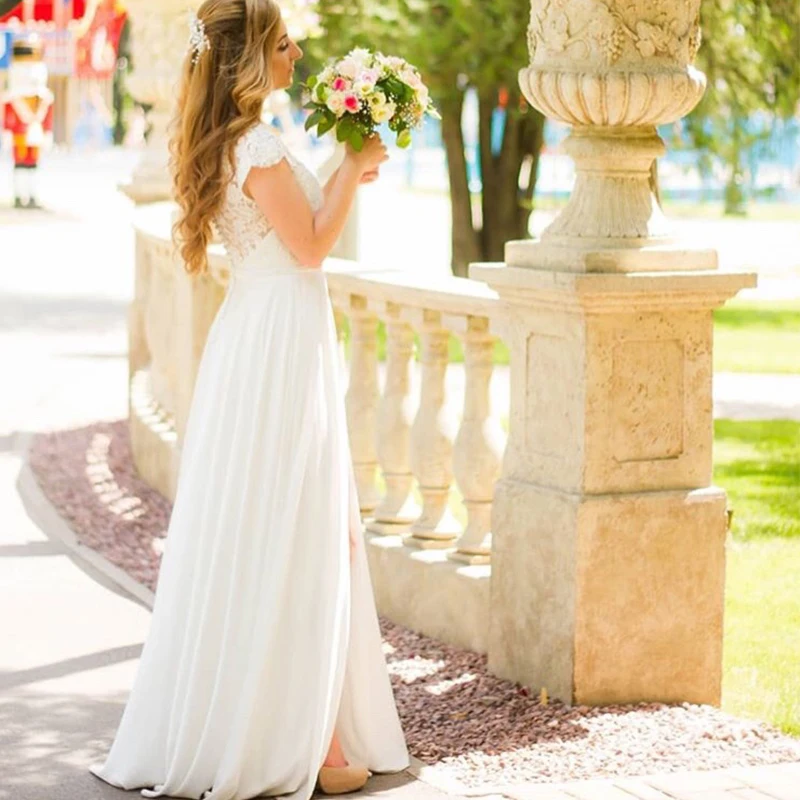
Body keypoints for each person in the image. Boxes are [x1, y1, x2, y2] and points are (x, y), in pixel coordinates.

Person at [89, 1, 408, 798]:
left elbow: (294, 237)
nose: (297, 51)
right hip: (277, 340)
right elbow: (308, 247)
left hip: (263, 334)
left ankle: (315, 729)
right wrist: (351, 160)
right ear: (250, 58)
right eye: (282, 41)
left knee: (288, 522)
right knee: (297, 522)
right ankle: (315, 744)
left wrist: (346, 168)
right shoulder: (258, 143)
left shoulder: (236, 140)